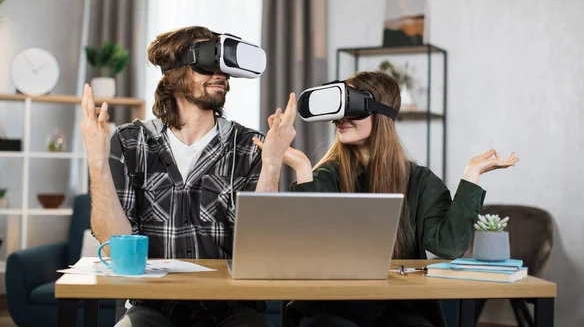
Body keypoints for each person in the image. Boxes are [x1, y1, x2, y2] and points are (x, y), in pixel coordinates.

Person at [254, 70, 519, 327]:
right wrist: (301, 169)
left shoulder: (419, 181)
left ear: (380, 113)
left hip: (398, 305)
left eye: (351, 108)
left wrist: (471, 175)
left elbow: (448, 246)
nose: (339, 120)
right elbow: (302, 246)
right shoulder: (326, 175)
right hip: (329, 305)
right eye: (337, 112)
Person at [80, 26, 297, 327]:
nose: (220, 75)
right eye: (208, 64)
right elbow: (113, 240)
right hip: (152, 307)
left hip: (232, 308)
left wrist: (272, 164)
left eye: (224, 67)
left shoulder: (250, 146)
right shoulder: (130, 142)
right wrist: (97, 160)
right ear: (175, 73)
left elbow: (258, 248)